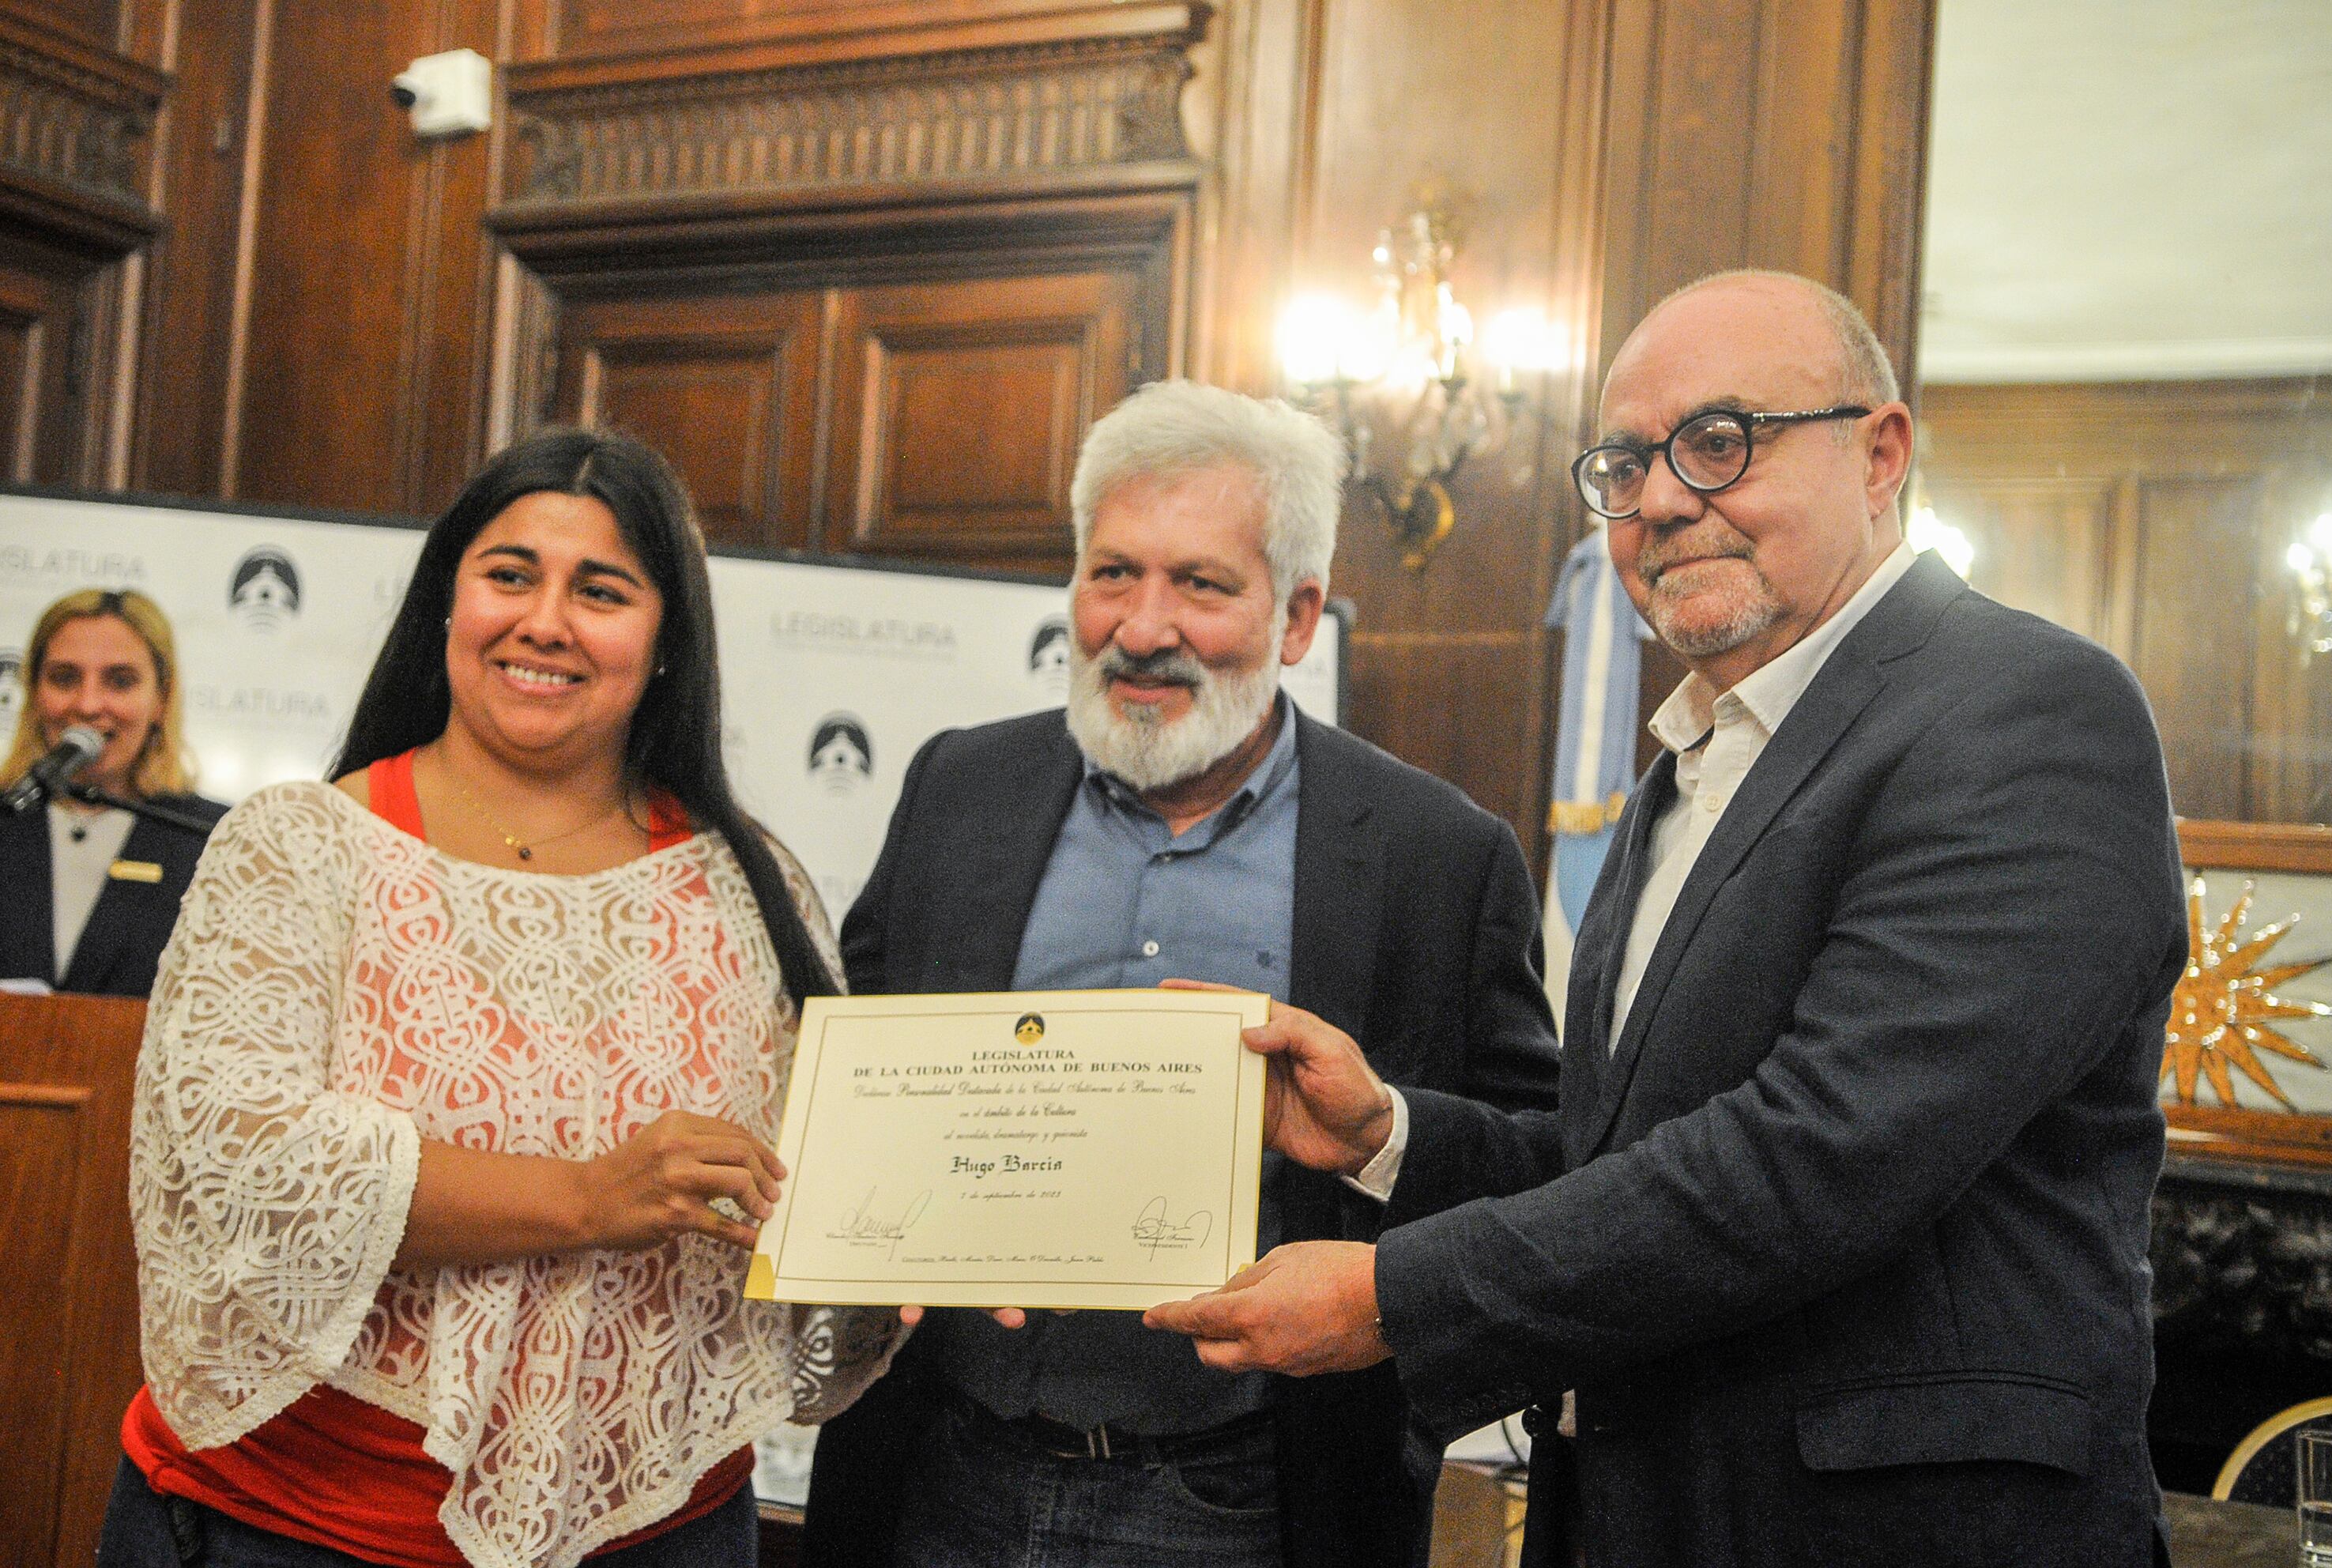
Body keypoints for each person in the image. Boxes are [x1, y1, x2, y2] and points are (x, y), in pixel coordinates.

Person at [1146, 272, 2189, 1568]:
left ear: (1882, 452)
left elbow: (1817, 1157)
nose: (1662, 499)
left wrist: (1393, 1294)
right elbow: (1628, 1159)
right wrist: (1390, 1133)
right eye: (1627, 462)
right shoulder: (1686, 768)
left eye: (1720, 442)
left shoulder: (2024, 710)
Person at [99, 429, 903, 1568]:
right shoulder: (300, 849)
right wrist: (588, 1196)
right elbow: (258, 1171)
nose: (546, 622)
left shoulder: (747, 882)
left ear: (668, 638)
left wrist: (893, 1236)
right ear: (447, 602)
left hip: (661, 1531)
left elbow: (811, 1175)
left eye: (604, 590)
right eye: (510, 574)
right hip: (297, 1528)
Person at [802, 379, 1562, 1568]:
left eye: (1201, 585)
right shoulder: (959, 790)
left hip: (1256, 1501)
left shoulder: (1437, 856)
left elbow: (1542, 1162)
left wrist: (1383, 1132)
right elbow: (841, 1071)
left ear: (1299, 617)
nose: (1142, 627)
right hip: (944, 1473)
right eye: (1113, 574)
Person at [0, 589, 226, 997]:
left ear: (161, 699)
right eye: (65, 678)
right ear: (34, 693)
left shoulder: (213, 837)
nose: (88, 705)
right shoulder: (7, 815)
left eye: (120, 681)